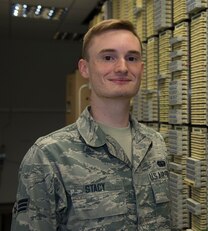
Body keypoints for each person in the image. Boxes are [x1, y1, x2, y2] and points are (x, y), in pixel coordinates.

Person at [11, 19, 171, 230]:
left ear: (141, 69)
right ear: (84, 68)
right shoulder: (48, 156)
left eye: (131, 58)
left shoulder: (155, 144)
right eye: (108, 57)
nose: (122, 67)